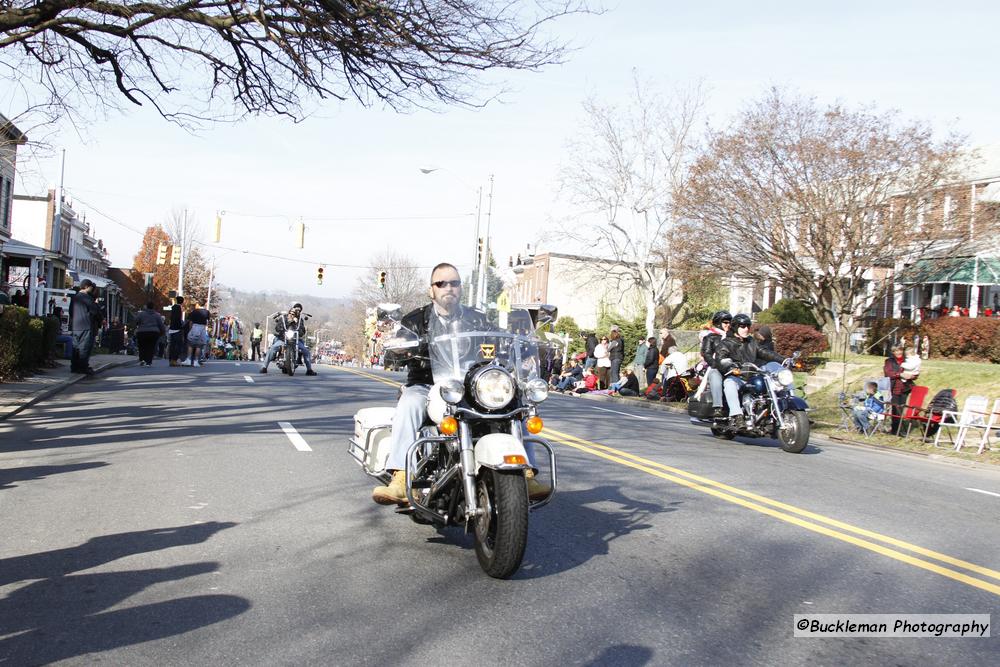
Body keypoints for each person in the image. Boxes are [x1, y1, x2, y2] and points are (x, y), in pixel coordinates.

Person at [372, 263, 549, 504]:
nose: (448, 287)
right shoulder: (415, 320)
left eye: (454, 283)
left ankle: (525, 473)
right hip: (428, 384)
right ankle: (402, 476)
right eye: (441, 283)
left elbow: (496, 339)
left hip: (471, 386)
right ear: (431, 290)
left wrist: (523, 344)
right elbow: (395, 351)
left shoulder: (477, 318)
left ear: (460, 288)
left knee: (515, 402)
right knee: (409, 402)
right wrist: (400, 349)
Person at [714, 313, 786, 428]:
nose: (746, 329)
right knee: (729, 383)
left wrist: (784, 360)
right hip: (738, 376)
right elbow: (720, 359)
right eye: (742, 326)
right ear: (735, 327)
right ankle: (737, 416)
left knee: (772, 385)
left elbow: (765, 352)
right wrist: (731, 367)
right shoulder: (726, 343)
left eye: (748, 326)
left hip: (752, 376)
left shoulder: (752, 342)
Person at [260, 303, 317, 375]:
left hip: (296, 340)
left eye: (298, 311)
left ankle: (309, 369)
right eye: (293, 311)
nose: (294, 313)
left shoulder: (299, 321)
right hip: (282, 339)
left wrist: (296, 323)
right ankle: (264, 367)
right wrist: (284, 326)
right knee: (273, 348)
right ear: (290, 311)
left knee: (305, 350)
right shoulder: (283, 318)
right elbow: (277, 328)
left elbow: (302, 331)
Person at [697, 310, 731, 416]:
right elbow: (706, 353)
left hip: (731, 367)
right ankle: (718, 407)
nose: (728, 325)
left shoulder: (733, 337)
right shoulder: (710, 337)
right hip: (716, 367)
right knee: (716, 378)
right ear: (718, 323)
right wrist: (714, 364)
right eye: (725, 322)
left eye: (730, 322)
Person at [68, 279, 103, 375]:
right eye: (91, 287)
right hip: (86, 326)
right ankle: (83, 367)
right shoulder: (87, 298)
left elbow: (71, 312)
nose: (92, 289)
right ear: (87, 286)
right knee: (84, 348)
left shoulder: (74, 298)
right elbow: (95, 312)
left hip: (76, 326)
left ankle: (74, 366)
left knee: (76, 348)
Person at [883, 344, 914, 436]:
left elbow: (913, 370)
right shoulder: (889, 361)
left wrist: (913, 376)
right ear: (893, 352)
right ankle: (895, 430)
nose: (898, 352)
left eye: (900, 350)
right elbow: (888, 373)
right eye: (896, 351)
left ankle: (899, 429)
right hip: (893, 388)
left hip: (905, 388)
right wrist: (899, 374)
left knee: (901, 409)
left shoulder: (908, 360)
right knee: (895, 409)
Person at [134, 301, 167, 367]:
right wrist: (162, 332)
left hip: (142, 332)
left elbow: (136, 321)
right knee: (151, 347)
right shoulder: (157, 315)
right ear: (153, 307)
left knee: (142, 346)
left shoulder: (141, 314)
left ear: (146, 306)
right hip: (153, 333)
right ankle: (148, 362)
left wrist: (138, 325)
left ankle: (142, 359)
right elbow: (161, 325)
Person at [182, 301, 210, 367]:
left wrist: (190, 330)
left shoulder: (194, 311)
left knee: (190, 344)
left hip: (195, 327)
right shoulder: (207, 312)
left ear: (198, 304)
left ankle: (188, 360)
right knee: (199, 346)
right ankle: (196, 361)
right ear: (205, 304)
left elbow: (190, 322)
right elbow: (207, 321)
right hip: (202, 328)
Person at [168, 295, 185, 367]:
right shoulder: (178, 308)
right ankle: (174, 360)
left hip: (172, 329)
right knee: (178, 345)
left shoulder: (173, 307)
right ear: (182, 301)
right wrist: (181, 326)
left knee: (172, 345)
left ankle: (171, 359)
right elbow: (177, 319)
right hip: (177, 329)